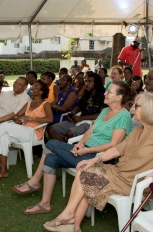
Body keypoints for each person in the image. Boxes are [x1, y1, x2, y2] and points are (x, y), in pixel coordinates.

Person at [13, 81, 135, 217]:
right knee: (51, 159)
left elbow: (114, 144)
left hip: (99, 159)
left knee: (51, 144)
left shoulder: (123, 116)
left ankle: (35, 182)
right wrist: (81, 143)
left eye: (109, 92)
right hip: (86, 151)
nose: (105, 94)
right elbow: (90, 130)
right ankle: (45, 204)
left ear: (119, 97)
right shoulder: (106, 110)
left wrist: (86, 151)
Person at [43, 92, 153, 232]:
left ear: (148, 110)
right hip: (119, 172)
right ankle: (73, 224)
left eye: (135, 106)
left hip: (132, 181)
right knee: (85, 170)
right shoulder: (138, 130)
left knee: (87, 179)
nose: (132, 109)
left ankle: (70, 219)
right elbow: (118, 149)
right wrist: (95, 159)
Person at [0, 80, 53, 180]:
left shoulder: (45, 104)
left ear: (41, 92)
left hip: (34, 133)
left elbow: (50, 119)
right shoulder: (29, 103)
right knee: (4, 138)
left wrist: (33, 119)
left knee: (4, 126)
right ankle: (3, 171)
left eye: (35, 87)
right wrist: (18, 119)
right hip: (23, 130)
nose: (32, 88)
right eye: (32, 86)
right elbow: (17, 115)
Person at [48, 73, 105, 142]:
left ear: (96, 83)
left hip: (92, 123)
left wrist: (81, 118)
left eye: (89, 81)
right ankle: (65, 146)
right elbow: (78, 107)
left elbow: (103, 114)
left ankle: (68, 148)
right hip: (80, 119)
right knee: (51, 129)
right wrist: (72, 114)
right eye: (86, 81)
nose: (86, 83)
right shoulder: (86, 94)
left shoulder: (102, 96)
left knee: (70, 133)